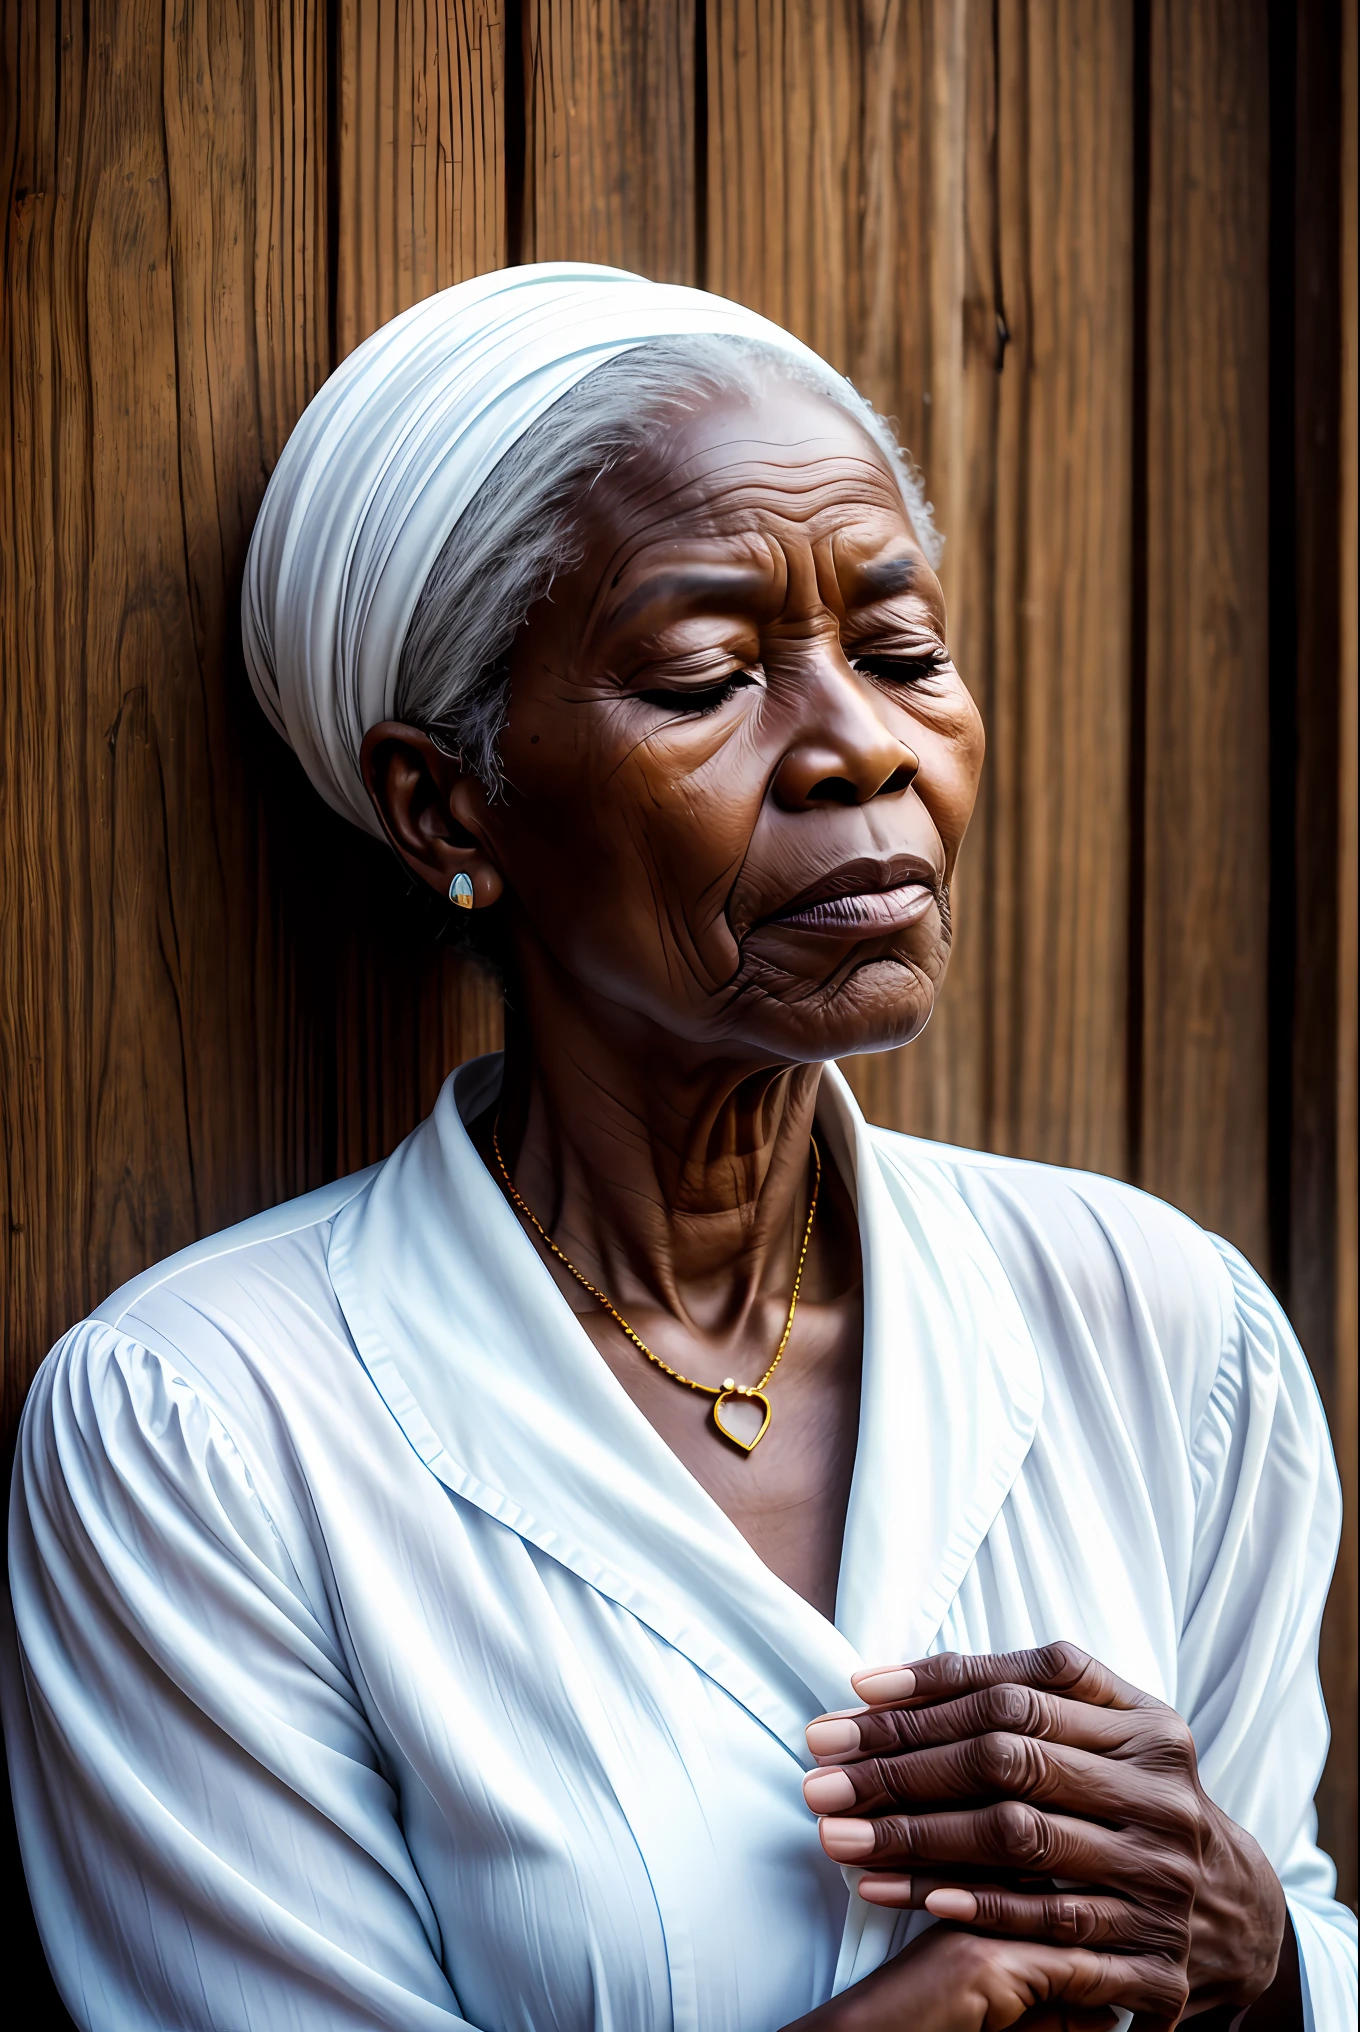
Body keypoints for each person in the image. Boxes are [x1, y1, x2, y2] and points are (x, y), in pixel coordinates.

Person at [2, 263, 1353, 2032]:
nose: (861, 749)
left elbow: (1289, 1938)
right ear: (445, 805)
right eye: (709, 677)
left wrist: (1261, 1959)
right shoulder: (206, 1436)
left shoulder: (1159, 1326)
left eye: (903, 653)